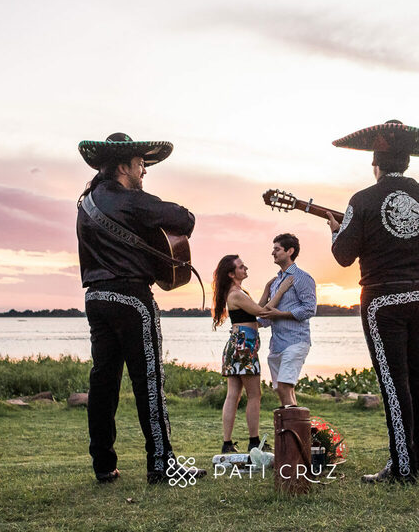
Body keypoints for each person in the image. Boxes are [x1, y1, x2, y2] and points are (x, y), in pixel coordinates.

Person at [326, 120, 419, 484]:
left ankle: (402, 467)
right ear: (407, 162)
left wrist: (336, 232)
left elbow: (343, 256)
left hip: (382, 300)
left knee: (394, 383)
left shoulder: (361, 200)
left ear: (374, 164)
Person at [76, 132, 206, 485]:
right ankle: (161, 464)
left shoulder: (86, 203)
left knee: (103, 383)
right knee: (149, 380)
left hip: (96, 298)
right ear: (123, 167)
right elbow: (185, 219)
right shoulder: (131, 200)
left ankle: (104, 465)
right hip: (132, 297)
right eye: (140, 164)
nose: (144, 170)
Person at [212, 254, 295, 454]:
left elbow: (256, 311)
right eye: (241, 267)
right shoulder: (236, 294)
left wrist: (266, 289)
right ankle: (254, 441)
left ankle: (227, 444)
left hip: (237, 344)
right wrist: (282, 289)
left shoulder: (238, 293)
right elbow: (263, 312)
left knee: (233, 395)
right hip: (244, 346)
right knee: (254, 395)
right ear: (231, 274)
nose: (245, 268)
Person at [256, 233, 317, 408]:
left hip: (296, 341)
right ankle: (293, 424)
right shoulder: (276, 282)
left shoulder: (302, 277)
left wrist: (280, 314)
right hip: (276, 345)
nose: (273, 253)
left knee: (284, 385)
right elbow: (269, 316)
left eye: (277, 249)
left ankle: (292, 423)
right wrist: (250, 326)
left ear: (290, 251)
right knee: (283, 390)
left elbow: (309, 309)